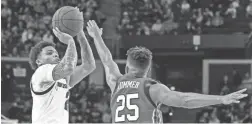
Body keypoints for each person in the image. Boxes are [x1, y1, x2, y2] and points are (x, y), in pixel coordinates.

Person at [86, 20, 248, 123]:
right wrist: (221, 99)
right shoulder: (151, 88)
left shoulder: (115, 82)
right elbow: (184, 100)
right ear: (148, 69)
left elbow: (107, 60)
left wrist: (96, 37)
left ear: (127, 67)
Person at [29, 20, 96, 123]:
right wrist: (70, 41)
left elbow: (89, 66)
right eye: (49, 53)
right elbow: (68, 67)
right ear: (38, 61)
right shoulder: (41, 72)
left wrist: (80, 33)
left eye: (56, 53)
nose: (55, 55)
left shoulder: (63, 79)